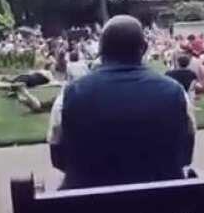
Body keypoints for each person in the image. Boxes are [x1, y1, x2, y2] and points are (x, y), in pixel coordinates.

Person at [48, 15, 196, 189]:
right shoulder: (176, 92)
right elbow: (186, 155)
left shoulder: (69, 95)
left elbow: (58, 158)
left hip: (90, 208)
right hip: (161, 209)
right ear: (145, 48)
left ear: (100, 50)